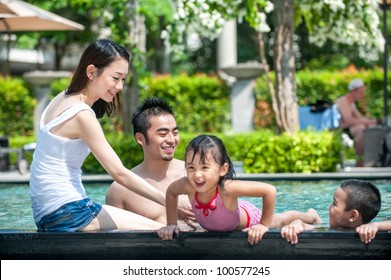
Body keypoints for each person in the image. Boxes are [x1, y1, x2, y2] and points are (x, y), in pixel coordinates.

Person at [29, 39, 166, 232]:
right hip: (70, 211)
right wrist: (169, 200)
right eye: (115, 78)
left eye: (123, 79)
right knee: (162, 227)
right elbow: (119, 173)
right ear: (91, 72)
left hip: (46, 214)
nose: (119, 86)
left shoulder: (62, 97)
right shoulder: (82, 115)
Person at [157, 134, 322, 245]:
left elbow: (269, 190)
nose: (197, 175)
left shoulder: (227, 188)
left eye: (205, 167)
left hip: (251, 219)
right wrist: (171, 224)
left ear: (223, 169)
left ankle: (310, 215)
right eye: (191, 167)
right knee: (278, 220)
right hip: (230, 215)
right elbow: (171, 192)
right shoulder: (188, 185)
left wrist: (263, 226)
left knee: (278, 220)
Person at [105, 97, 195, 228]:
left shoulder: (195, 175)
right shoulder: (121, 189)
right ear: (140, 138)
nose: (171, 140)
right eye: (163, 134)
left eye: (175, 133)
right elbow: (113, 241)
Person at [280, 179, 382, 244]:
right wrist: (296, 224)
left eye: (334, 203)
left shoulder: (369, 230)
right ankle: (313, 215)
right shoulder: (335, 228)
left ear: (352, 216)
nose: (329, 207)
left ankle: (314, 215)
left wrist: (376, 226)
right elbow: (303, 224)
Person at [335, 78, 378, 166]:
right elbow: (349, 120)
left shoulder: (351, 103)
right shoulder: (343, 102)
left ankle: (371, 160)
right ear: (353, 91)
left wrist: (372, 122)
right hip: (339, 130)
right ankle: (360, 162)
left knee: (368, 129)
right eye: (361, 92)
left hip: (347, 129)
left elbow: (359, 118)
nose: (363, 95)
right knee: (360, 129)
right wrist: (369, 122)